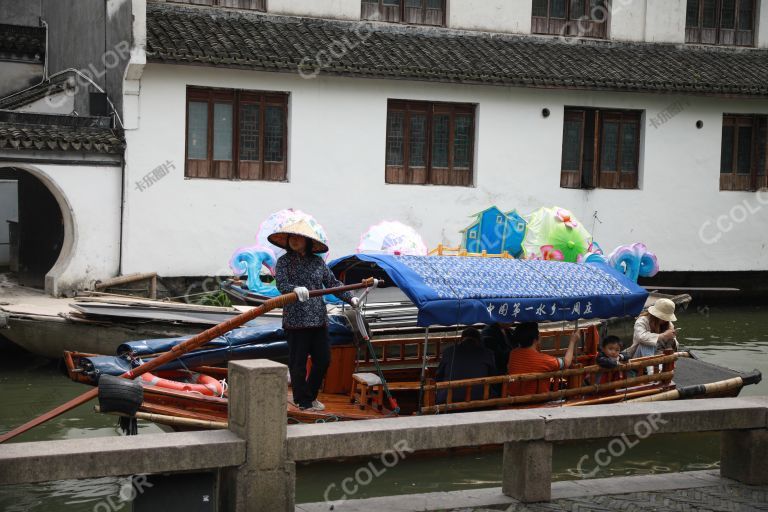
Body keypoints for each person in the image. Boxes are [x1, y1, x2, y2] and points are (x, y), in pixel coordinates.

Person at [270, 221, 359, 412]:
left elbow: (332, 283)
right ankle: (302, 401)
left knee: (324, 359)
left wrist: (351, 298)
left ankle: (310, 396)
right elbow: (282, 285)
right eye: (291, 237)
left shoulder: (318, 262)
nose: (293, 240)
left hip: (318, 319)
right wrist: (294, 289)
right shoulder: (284, 262)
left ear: (307, 241)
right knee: (298, 363)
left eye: (298, 237)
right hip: (296, 320)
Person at [507, 322, 579, 396]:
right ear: (535, 339)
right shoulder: (545, 360)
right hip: (537, 401)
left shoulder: (513, 354)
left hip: (514, 399)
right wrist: (572, 341)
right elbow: (566, 362)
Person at [435, 327, 497, 404]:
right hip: (481, 397)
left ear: (461, 338)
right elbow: (493, 376)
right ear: (479, 340)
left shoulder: (448, 351)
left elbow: (438, 376)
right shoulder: (488, 353)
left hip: (449, 398)